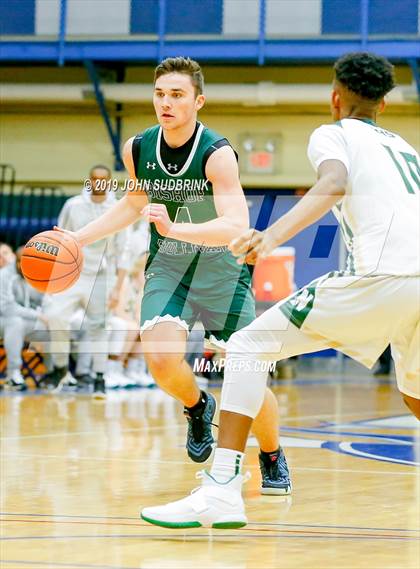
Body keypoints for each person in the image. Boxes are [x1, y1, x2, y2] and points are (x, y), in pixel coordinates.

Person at [140, 52, 420, 528]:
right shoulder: (407, 149)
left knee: (248, 345)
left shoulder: (333, 133)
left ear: (335, 97)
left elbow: (333, 181)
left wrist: (270, 236)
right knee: (414, 391)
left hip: (381, 274)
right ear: (384, 105)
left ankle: (223, 489)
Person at [56, 57, 291, 494]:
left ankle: (273, 454)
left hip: (223, 269)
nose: (166, 102)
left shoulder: (217, 155)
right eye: (160, 94)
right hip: (169, 267)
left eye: (177, 94)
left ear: (198, 101)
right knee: (161, 360)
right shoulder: (138, 148)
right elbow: (132, 203)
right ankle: (198, 406)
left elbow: (237, 224)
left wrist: (173, 227)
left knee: (246, 377)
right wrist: (77, 238)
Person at [41, 165, 131, 397]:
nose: (99, 183)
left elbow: (124, 252)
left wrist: (118, 289)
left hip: (102, 276)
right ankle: (61, 369)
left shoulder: (119, 208)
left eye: (103, 180)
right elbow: (59, 239)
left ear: (110, 182)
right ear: (89, 181)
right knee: (54, 317)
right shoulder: (73, 205)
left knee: (99, 328)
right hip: (72, 274)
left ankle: (99, 378)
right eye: (94, 179)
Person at [0, 246, 50, 390]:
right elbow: (7, 309)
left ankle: (54, 373)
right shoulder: (4, 275)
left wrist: (49, 314)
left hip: (21, 322)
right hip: (4, 320)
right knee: (15, 322)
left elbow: (43, 299)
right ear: (17, 261)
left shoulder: (34, 273)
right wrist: (39, 315)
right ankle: (13, 374)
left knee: (53, 326)